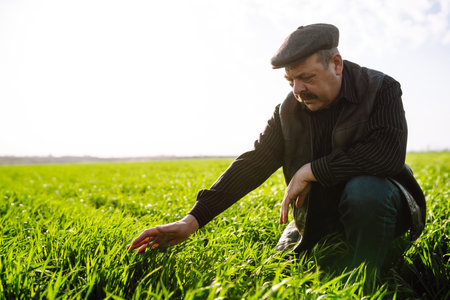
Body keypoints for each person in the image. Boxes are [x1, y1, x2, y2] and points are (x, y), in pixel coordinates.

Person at [127, 23, 425, 270]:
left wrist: (312, 170)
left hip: (381, 206)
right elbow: (254, 163)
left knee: (364, 191)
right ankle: (320, 235)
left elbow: (387, 155)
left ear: (336, 64)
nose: (298, 90)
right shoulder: (288, 111)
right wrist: (192, 220)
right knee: (281, 267)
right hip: (320, 212)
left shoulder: (380, 88)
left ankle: (368, 276)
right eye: (290, 81)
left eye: (306, 77)